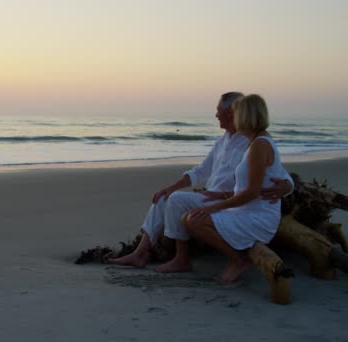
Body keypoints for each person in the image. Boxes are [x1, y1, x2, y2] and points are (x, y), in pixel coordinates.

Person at [108, 92, 293, 270]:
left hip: (228, 202)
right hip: (212, 196)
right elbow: (201, 171)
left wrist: (286, 186)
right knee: (166, 197)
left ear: (231, 112)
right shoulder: (224, 141)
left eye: (218, 110)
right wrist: (171, 187)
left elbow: (279, 174)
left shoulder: (251, 141)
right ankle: (140, 253)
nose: (216, 114)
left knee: (177, 200)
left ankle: (181, 258)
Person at [183, 94, 288, 284]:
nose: (232, 116)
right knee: (189, 218)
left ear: (245, 116)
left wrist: (215, 207)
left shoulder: (259, 145)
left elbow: (251, 193)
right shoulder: (258, 140)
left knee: (194, 220)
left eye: (235, 113)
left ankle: (238, 261)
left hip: (257, 218)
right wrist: (220, 197)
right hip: (246, 211)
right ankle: (237, 258)